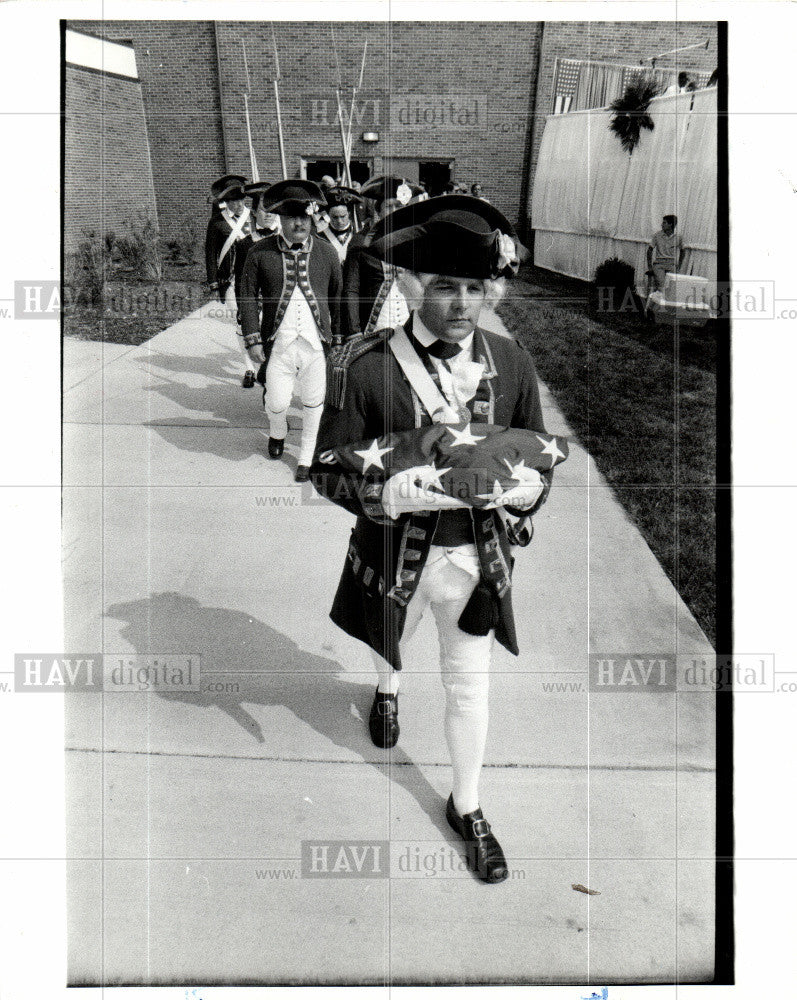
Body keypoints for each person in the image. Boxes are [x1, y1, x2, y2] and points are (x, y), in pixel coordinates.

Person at [311, 196, 553, 883]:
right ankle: (387, 689)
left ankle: (466, 804)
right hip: (395, 555)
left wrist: (529, 494)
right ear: (414, 286)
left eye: (474, 287)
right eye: (444, 285)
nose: (460, 302)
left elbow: (536, 461)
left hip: (476, 562)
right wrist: (383, 493)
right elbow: (329, 469)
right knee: (393, 640)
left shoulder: (512, 363)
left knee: (468, 688)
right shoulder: (366, 367)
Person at [239, 180, 342, 482]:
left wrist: (338, 339)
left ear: (311, 218)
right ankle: (278, 430)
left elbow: (337, 297)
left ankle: (306, 457)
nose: (299, 223)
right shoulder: (260, 252)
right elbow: (247, 295)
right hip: (279, 345)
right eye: (291, 217)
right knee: (277, 402)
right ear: (280, 220)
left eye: (304, 216)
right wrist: (252, 337)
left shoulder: (327, 253)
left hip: (316, 345)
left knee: (313, 402)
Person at [341, 176, 422, 340]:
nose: (394, 211)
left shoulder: (416, 240)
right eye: (389, 206)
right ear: (378, 211)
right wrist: (354, 331)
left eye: (399, 206)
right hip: (374, 326)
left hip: (410, 324)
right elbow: (351, 289)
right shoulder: (361, 241)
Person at [231, 182, 280, 387]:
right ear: (254, 213)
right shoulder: (245, 244)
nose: (267, 215)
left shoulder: (283, 240)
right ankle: (256, 371)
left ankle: (272, 378)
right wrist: (243, 307)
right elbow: (241, 281)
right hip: (255, 301)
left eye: (271, 211)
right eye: (262, 210)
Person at [205, 174, 251, 317]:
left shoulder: (253, 217)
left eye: (242, 199)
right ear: (226, 201)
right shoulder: (217, 222)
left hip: (252, 276)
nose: (240, 204)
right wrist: (214, 285)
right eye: (235, 201)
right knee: (238, 318)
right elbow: (211, 254)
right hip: (229, 279)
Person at [315, 186, 364, 265]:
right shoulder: (320, 237)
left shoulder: (357, 234)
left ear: (349, 214)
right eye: (335, 217)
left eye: (343, 216)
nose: (339, 221)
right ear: (328, 215)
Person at [647, 214, 685, 292]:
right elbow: (649, 250)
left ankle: (664, 303)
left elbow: (683, 251)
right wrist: (650, 267)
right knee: (662, 285)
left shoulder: (678, 237)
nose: (662, 225)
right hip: (659, 264)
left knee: (671, 286)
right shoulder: (657, 235)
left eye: (664, 223)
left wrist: (679, 265)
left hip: (672, 265)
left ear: (670, 224)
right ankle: (659, 302)